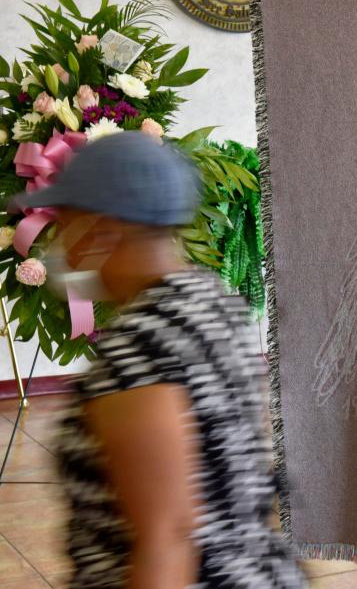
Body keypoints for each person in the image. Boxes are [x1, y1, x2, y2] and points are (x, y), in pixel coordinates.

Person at [12, 132, 306, 589]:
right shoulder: (212, 303)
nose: (63, 247)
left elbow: (167, 540)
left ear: (103, 229)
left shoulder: (138, 353)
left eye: (67, 226)